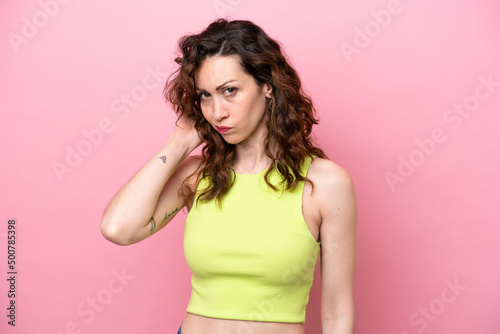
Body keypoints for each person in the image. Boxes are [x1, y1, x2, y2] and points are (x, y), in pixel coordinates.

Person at [101, 19, 357, 334]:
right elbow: (117, 229)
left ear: (267, 86)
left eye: (230, 91)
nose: (216, 111)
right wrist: (179, 142)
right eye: (205, 96)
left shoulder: (324, 184)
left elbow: (336, 311)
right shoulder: (197, 177)